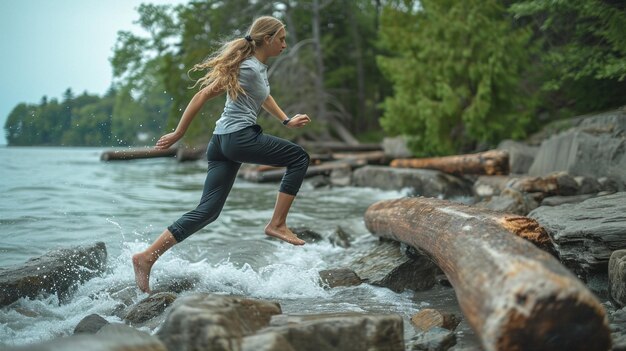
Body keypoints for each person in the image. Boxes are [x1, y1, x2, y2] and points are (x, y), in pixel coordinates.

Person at [132, 16, 311, 293]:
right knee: (299, 158)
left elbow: (263, 97)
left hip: (221, 142)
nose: (285, 45)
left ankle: (146, 258)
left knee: (208, 211)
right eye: (282, 39)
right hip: (238, 138)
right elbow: (202, 95)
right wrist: (179, 133)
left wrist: (286, 120)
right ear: (267, 39)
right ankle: (277, 223)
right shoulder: (248, 67)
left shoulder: (257, 68)